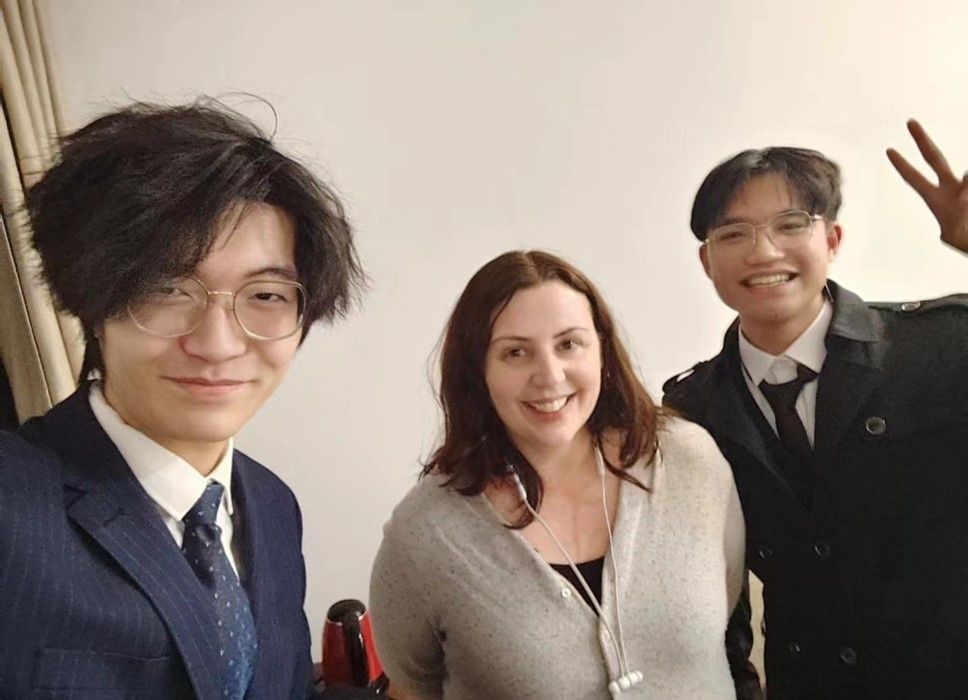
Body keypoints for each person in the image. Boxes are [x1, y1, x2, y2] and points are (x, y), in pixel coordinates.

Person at [0, 100, 369, 698]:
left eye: (266, 295)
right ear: (93, 302)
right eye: (168, 289)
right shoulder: (14, 504)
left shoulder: (274, 507)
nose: (218, 344)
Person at [663, 120, 968, 698]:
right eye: (734, 233)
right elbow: (710, 596)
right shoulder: (691, 409)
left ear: (832, 239)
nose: (763, 251)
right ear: (707, 261)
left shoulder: (943, 346)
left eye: (790, 224)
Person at [370, 250, 745, 698]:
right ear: (478, 371)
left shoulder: (689, 461)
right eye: (515, 352)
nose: (549, 376)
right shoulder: (425, 533)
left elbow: (725, 607)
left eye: (569, 344)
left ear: (602, 351)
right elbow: (411, 688)